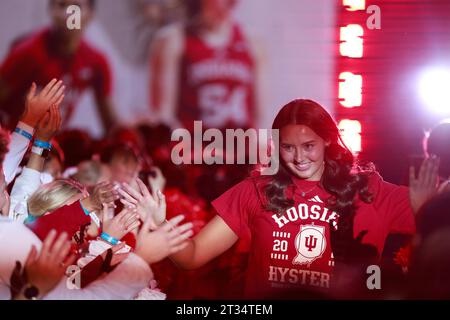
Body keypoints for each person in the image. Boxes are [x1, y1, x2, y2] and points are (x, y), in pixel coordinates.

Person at [133, 99, 438, 299]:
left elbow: (435, 264)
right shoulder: (255, 191)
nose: (299, 158)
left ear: (328, 140)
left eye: (308, 146)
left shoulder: (369, 191)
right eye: (288, 148)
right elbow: (193, 256)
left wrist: (427, 210)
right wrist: (160, 223)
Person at [0, 0, 117, 132]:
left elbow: (112, 126)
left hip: (48, 143)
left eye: (76, 7)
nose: (68, 14)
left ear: (91, 14)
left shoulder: (96, 61)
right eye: (62, 5)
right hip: (14, 140)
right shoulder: (28, 53)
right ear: (51, 11)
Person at [149, 0, 267, 130]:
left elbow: (259, 118)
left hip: (240, 145)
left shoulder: (252, 43)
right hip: (193, 145)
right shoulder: (174, 40)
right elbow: (163, 116)